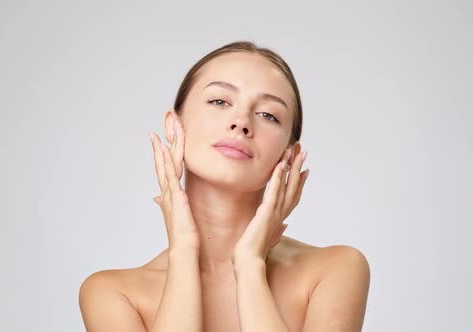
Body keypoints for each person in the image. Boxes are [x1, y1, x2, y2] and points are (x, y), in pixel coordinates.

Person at [79, 40, 370, 332]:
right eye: (219, 101)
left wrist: (250, 265)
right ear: (173, 126)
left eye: (268, 115)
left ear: (290, 156)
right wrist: (183, 252)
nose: (241, 122)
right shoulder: (113, 294)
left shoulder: (335, 271)